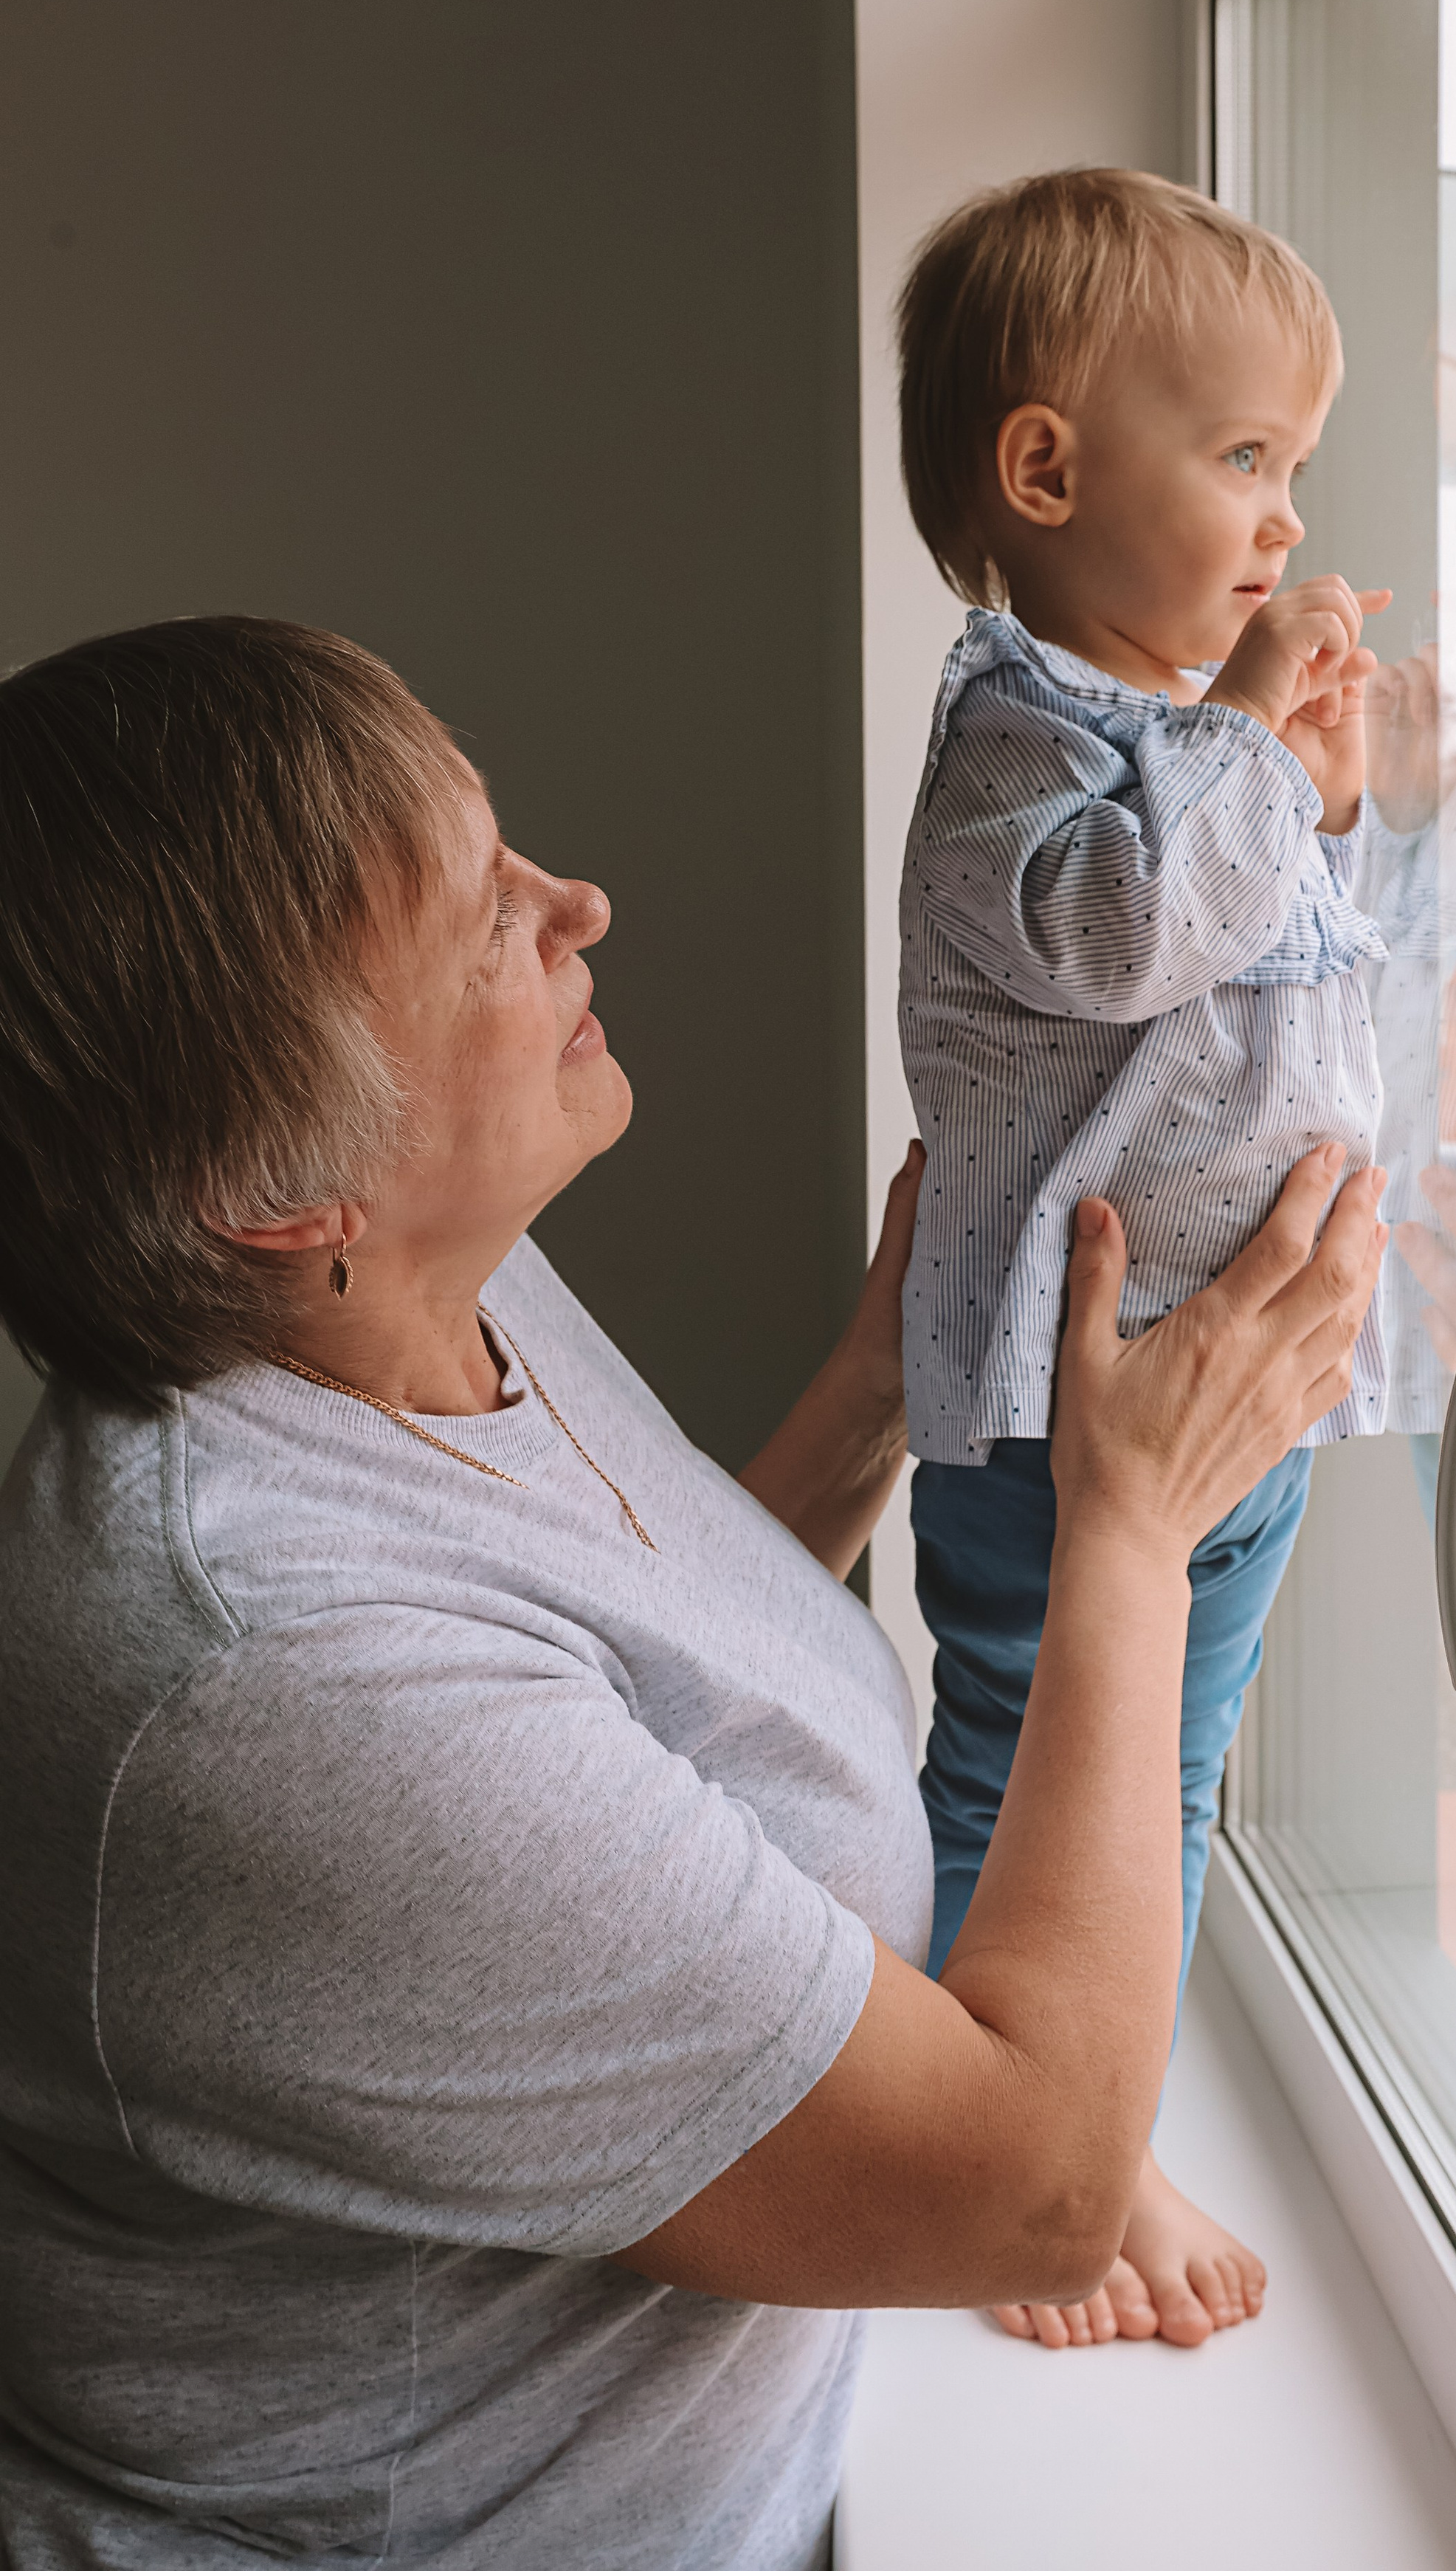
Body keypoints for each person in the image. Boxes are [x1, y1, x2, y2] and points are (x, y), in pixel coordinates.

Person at [0, 617, 1384, 2567]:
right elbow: (1038, 2196)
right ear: (278, 1184)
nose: (579, 903)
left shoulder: (416, 1301)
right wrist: (1136, 1530)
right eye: (484, 922)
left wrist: (890, 1372)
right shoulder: (263, 1680)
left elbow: (613, 1699)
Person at [892, 167, 1390, 2344]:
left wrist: (1322, 787)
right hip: (1064, 1409)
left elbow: (1265, 941)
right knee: (1027, 1757)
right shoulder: (1022, 742)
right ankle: (1000, 2137)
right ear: (1045, 470)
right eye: (1248, 456)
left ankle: (1101, 2121)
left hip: (1222, 1397)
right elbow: (1126, 932)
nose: (1285, 520)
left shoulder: (1183, 758)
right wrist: (1246, 744)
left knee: (1165, 1768)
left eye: (1298, 468)